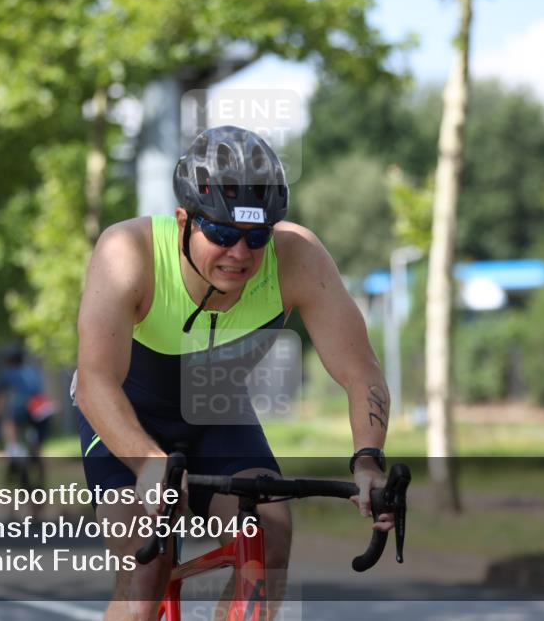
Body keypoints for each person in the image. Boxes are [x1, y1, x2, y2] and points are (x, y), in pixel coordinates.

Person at [74, 125, 395, 621]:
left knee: (267, 537)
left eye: (255, 236)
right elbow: (95, 380)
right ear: (184, 220)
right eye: (221, 233)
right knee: (147, 566)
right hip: (124, 416)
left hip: (216, 415)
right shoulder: (128, 253)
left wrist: (368, 460)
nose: (239, 254)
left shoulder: (298, 259)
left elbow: (362, 371)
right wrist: (150, 464)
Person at [0, 351, 55, 495]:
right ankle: (39, 473)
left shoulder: (9, 373)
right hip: (41, 408)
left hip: (23, 408)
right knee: (38, 450)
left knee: (9, 422)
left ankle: (13, 447)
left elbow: (0, 399)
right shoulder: (32, 371)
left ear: (9, 363)